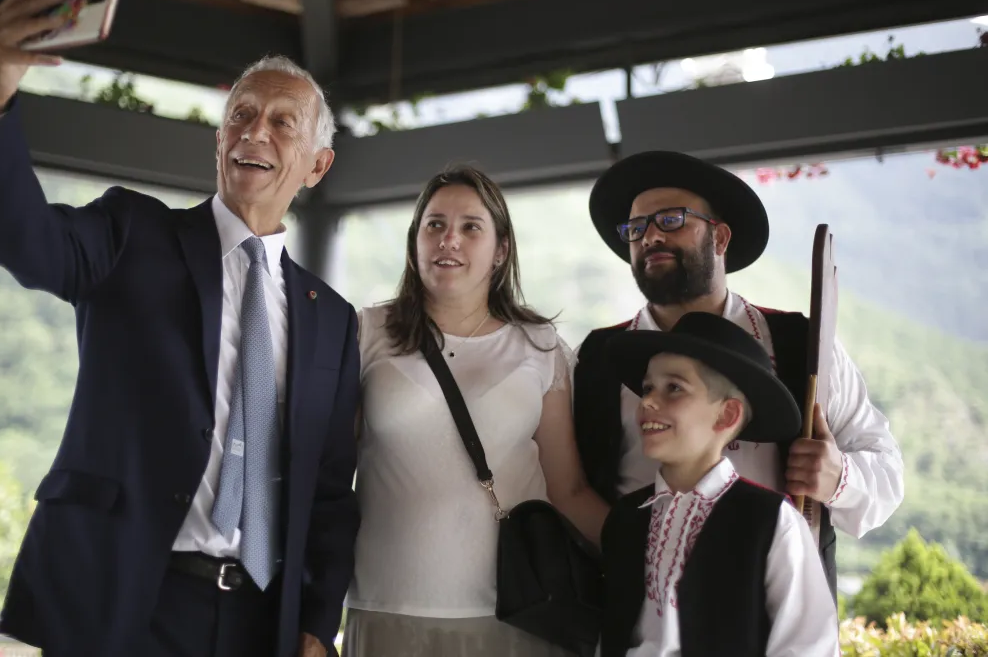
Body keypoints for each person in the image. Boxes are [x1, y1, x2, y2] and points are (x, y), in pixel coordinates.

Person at [0, 0, 359, 657]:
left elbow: (331, 491)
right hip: (125, 605)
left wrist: (317, 622)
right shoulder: (131, 235)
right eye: (242, 116)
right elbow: (22, 237)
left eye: (284, 122)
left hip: (260, 625)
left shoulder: (333, 321)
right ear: (219, 141)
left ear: (317, 165)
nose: (256, 131)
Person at [573, 150, 904, 597]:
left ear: (721, 237)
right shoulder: (596, 358)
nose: (649, 236)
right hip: (640, 609)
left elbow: (885, 468)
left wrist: (838, 476)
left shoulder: (799, 344)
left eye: (670, 220)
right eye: (637, 228)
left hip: (779, 606)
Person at [341, 166, 610, 657]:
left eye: (471, 227)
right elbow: (330, 474)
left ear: (501, 249)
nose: (449, 240)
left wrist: (654, 551)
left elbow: (568, 490)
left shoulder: (540, 345)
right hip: (386, 608)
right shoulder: (366, 332)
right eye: (435, 224)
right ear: (415, 240)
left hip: (517, 614)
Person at [598, 312, 839, 657]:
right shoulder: (626, 518)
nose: (648, 401)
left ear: (727, 416)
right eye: (648, 387)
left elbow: (807, 648)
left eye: (674, 388)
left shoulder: (772, 522)